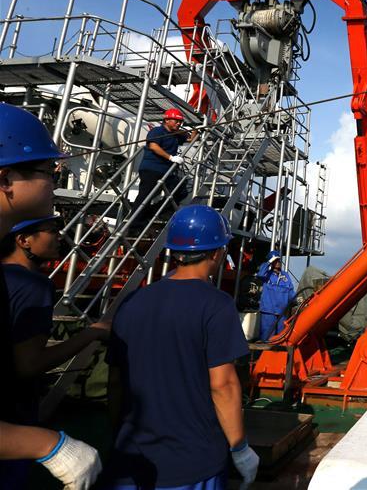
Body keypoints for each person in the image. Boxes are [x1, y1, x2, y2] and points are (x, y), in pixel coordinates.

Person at [105, 205, 259, 489]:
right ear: (217, 253)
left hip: (131, 461)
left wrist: (119, 435)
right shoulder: (217, 305)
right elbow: (222, 385)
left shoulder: (132, 302)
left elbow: (115, 381)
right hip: (192, 462)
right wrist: (240, 448)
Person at [0, 102, 102, 489]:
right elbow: (27, 365)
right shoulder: (32, 286)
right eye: (48, 171)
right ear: (6, 179)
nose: (57, 179)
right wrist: (49, 445)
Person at [1, 216, 111, 423]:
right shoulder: (33, 285)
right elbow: (29, 365)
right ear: (23, 240)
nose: (60, 236)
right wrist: (92, 333)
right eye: (52, 230)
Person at [130, 108, 196, 226]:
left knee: (180, 191)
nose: (178, 123)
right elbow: (153, 146)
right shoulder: (157, 131)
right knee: (146, 195)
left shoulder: (175, 135)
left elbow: (191, 139)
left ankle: (152, 212)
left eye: (180, 122)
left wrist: (196, 129)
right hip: (151, 169)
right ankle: (135, 223)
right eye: (176, 121)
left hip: (166, 171)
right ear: (166, 120)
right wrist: (171, 157)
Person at [257, 250, 296, 341]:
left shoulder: (285, 276)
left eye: (278, 260)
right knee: (267, 338)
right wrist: (269, 262)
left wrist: (297, 301)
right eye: (275, 260)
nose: (278, 262)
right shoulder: (266, 274)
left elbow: (290, 291)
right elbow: (260, 274)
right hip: (268, 312)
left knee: (280, 338)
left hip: (282, 313)